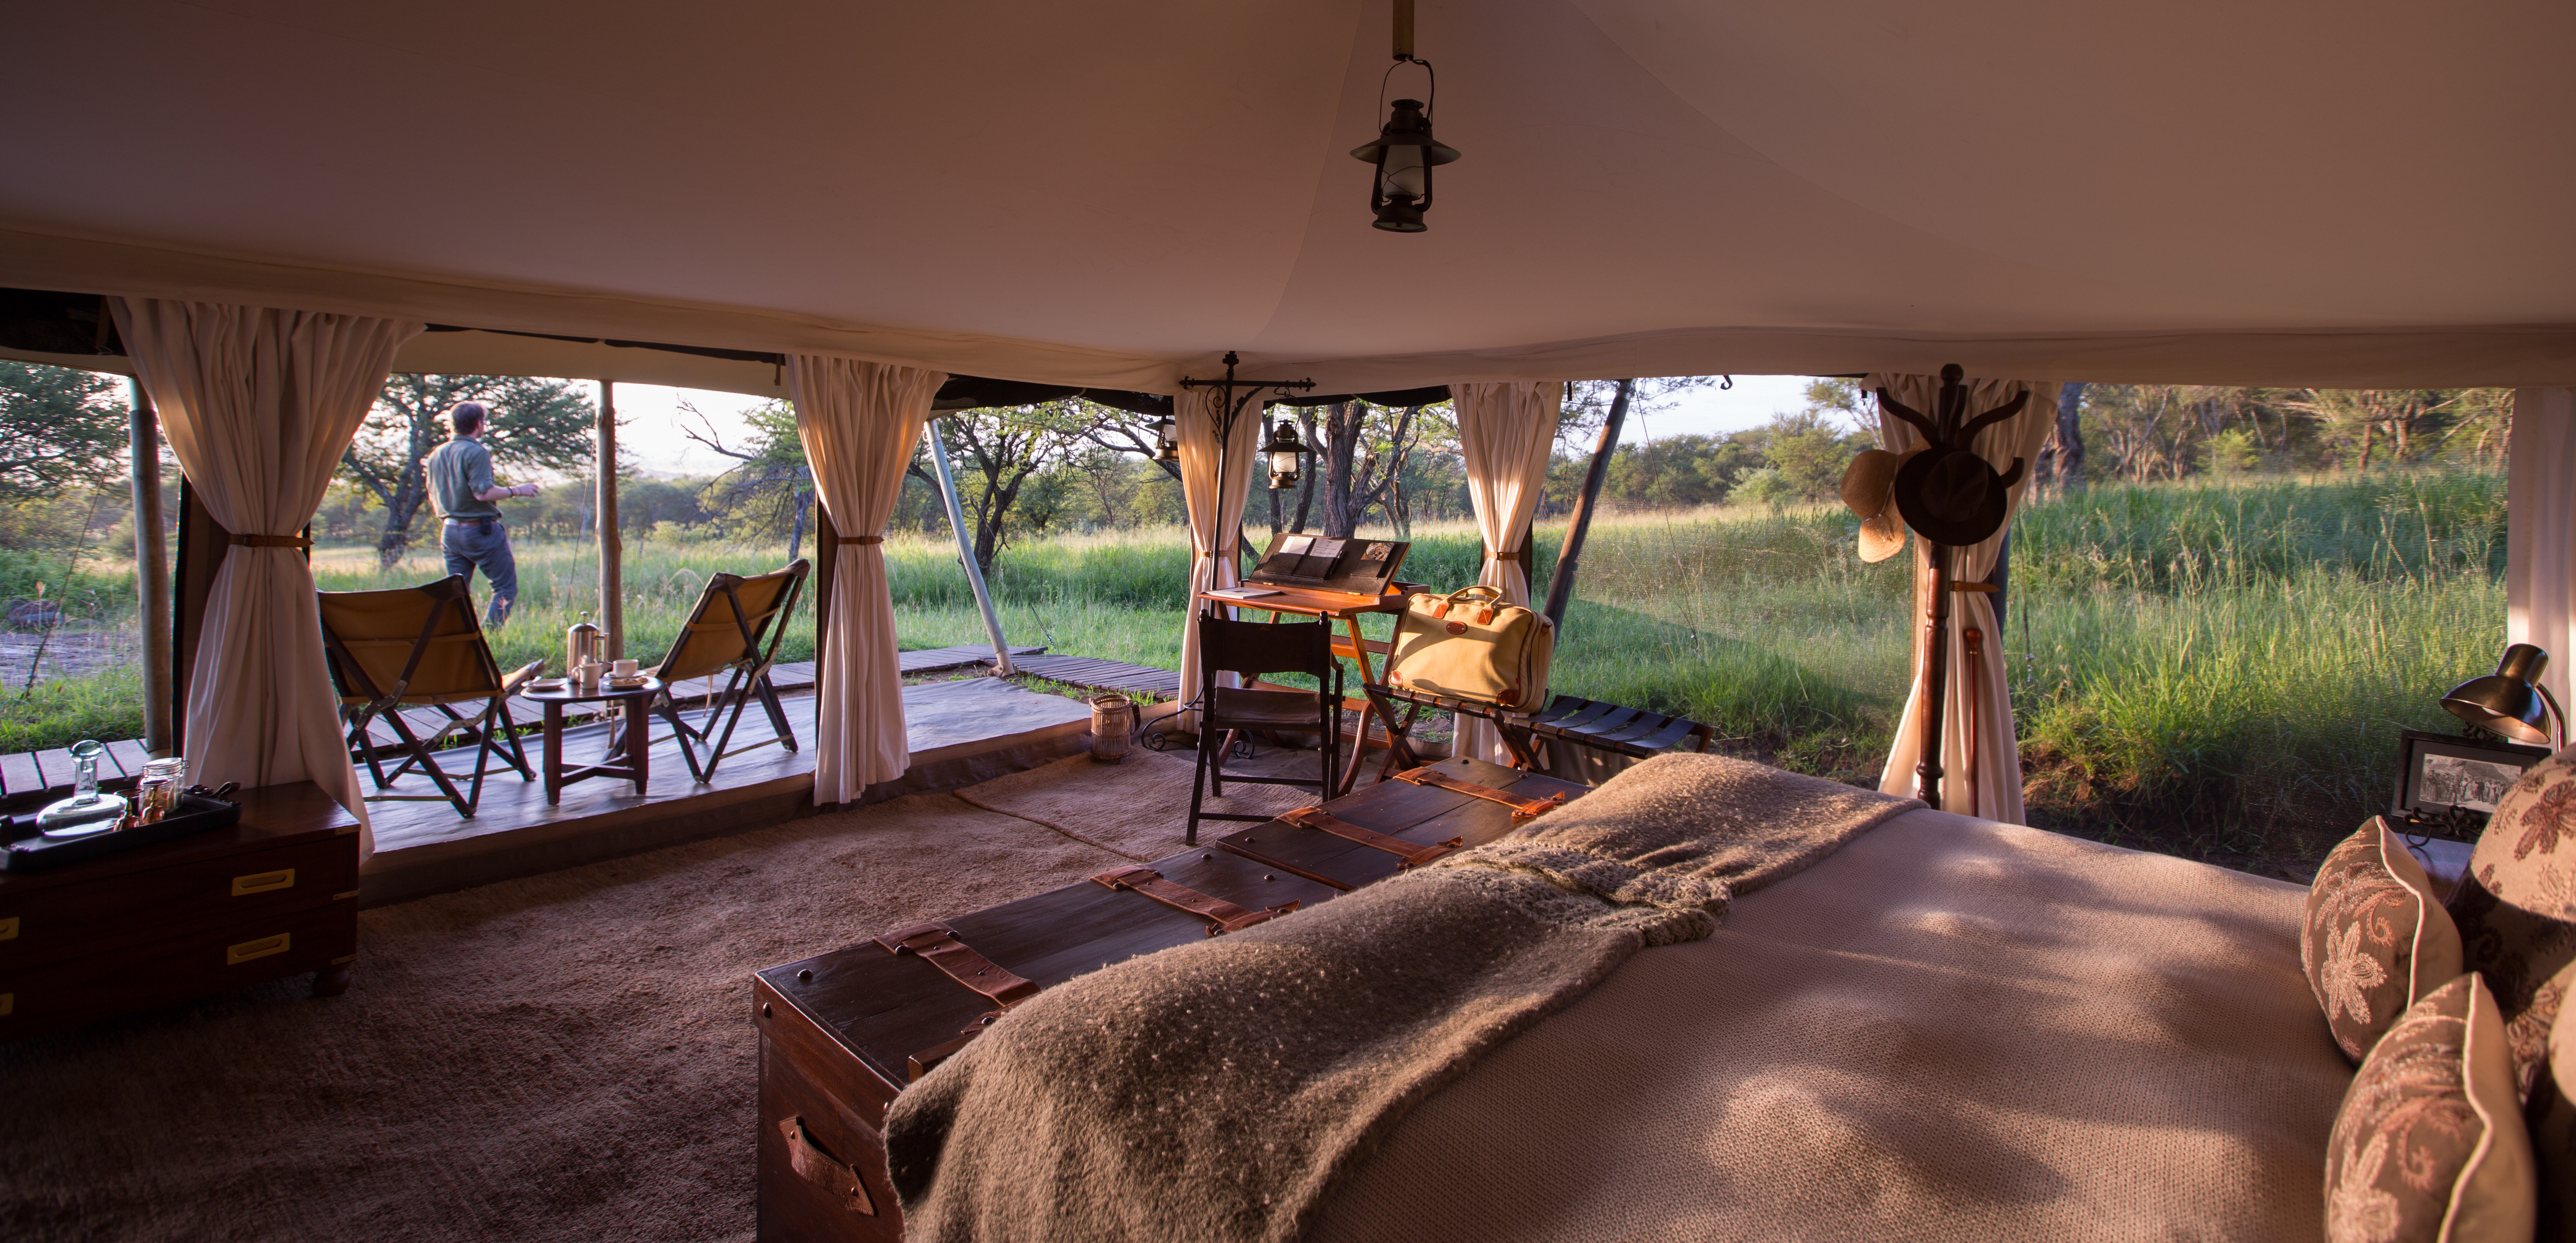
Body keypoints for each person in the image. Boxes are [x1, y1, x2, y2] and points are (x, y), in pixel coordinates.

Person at [424, 400, 539, 626]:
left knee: (456, 593)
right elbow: (483, 493)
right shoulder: (476, 451)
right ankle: (489, 637)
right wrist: (518, 490)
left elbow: (432, 493)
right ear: (479, 424)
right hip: (480, 532)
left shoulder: (437, 454)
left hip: (449, 532)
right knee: (505, 588)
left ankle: (459, 642)